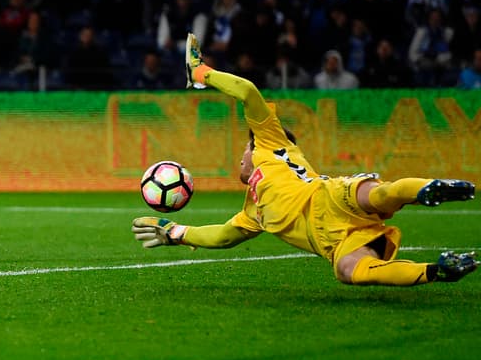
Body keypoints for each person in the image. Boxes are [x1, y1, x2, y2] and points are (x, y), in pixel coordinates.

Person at [129, 35, 477, 287]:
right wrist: (175, 233)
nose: (241, 156)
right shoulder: (253, 212)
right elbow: (221, 236)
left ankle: (428, 188)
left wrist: (202, 73)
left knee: (379, 194)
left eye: (242, 151)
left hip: (328, 195)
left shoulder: (268, 141)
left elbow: (248, 92)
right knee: (350, 271)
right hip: (333, 240)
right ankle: (436, 270)